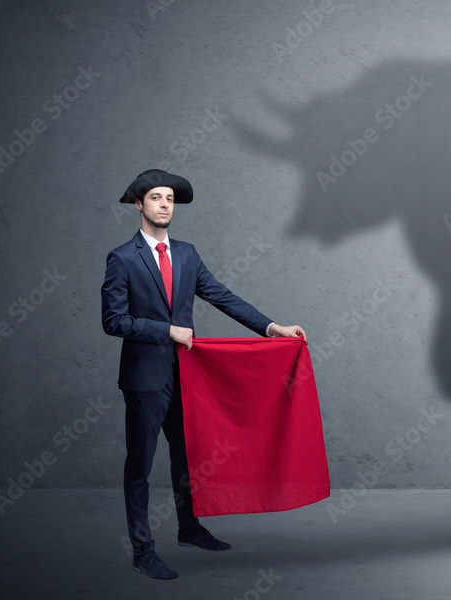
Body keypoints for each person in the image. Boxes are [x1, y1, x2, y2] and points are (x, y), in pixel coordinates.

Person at [101, 169, 306, 580]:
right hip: (144, 379)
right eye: (156, 198)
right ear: (138, 205)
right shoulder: (122, 258)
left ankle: (189, 529)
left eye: (169, 199)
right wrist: (167, 330)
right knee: (139, 465)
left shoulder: (188, 254)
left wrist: (271, 328)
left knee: (188, 457)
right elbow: (112, 320)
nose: (164, 204)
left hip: (189, 377)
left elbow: (222, 295)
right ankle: (143, 550)